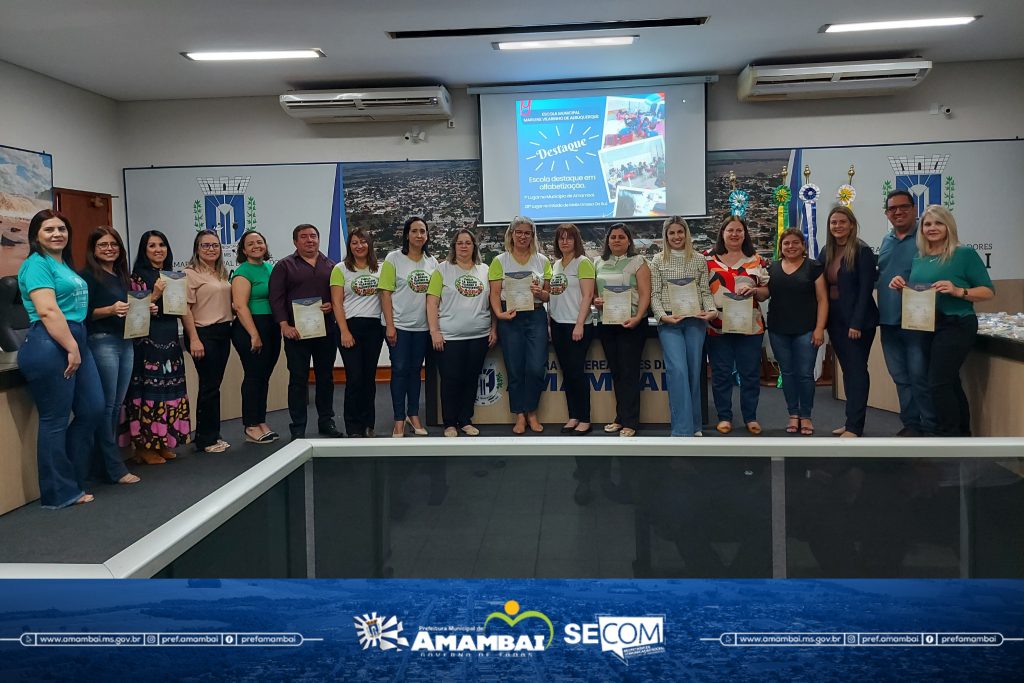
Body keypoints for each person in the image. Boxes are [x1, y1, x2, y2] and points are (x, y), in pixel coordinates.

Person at [17, 210, 106, 507]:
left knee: (93, 408)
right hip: (50, 341)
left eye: (62, 229)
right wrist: (72, 346)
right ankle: (59, 492)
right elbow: (48, 311)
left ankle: (72, 477)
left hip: (74, 338)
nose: (57, 234)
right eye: (49, 229)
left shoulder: (63, 264)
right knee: (54, 420)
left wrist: (75, 344)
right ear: (36, 235)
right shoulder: (36, 265)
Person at [890, 205, 993, 437]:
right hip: (928, 325)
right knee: (948, 382)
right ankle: (962, 437)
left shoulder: (963, 254)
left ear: (949, 226)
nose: (932, 228)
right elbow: (919, 296)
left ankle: (950, 438)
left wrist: (958, 291)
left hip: (957, 323)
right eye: (927, 224)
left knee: (938, 383)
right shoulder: (920, 258)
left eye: (938, 223)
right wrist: (902, 289)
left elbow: (988, 291)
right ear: (921, 229)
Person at [120, 230, 190, 463]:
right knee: (148, 394)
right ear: (144, 250)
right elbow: (133, 314)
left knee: (169, 392)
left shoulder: (172, 275)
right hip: (146, 343)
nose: (158, 249)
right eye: (152, 246)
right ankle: (143, 446)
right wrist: (156, 293)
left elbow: (180, 310)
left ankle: (161, 442)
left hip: (170, 341)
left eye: (162, 244)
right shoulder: (135, 278)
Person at [268, 224, 342, 440]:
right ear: (295, 242)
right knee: (298, 380)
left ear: (319, 240)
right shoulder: (284, 266)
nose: (309, 240)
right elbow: (276, 298)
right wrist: (284, 325)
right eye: (304, 237)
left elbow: (338, 296)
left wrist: (330, 305)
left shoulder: (332, 266)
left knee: (325, 378)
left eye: (313, 236)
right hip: (296, 334)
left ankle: (326, 421)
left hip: (326, 331)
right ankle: (298, 426)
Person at [80, 226, 141, 486]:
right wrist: (110, 309)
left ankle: (102, 465)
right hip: (102, 341)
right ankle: (113, 467)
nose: (109, 249)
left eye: (113, 244)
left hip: (125, 341)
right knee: (106, 407)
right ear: (93, 249)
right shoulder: (87, 277)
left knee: (116, 406)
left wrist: (141, 308)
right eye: (103, 245)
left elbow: (126, 310)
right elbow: (84, 313)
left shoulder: (120, 275)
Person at [649, 216, 717, 438]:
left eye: (680, 232)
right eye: (672, 233)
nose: (676, 237)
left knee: (693, 372)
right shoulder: (657, 260)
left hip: (695, 319)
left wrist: (712, 311)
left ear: (686, 234)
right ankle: (681, 429)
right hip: (670, 321)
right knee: (677, 371)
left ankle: (695, 425)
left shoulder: (699, 260)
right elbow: (654, 294)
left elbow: (705, 291)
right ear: (665, 236)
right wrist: (662, 316)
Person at [877, 190, 936, 437]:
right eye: (892, 209)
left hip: (917, 323)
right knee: (900, 378)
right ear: (887, 214)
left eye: (903, 207)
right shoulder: (887, 240)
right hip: (888, 321)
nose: (898, 212)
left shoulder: (927, 238)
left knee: (920, 378)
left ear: (914, 209)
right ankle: (911, 425)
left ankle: (932, 428)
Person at [427, 229, 496, 437]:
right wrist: (434, 331)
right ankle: (449, 422)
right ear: (453, 247)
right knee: (450, 380)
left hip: (479, 336)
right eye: (459, 243)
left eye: (468, 243)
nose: (464, 246)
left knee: (471, 378)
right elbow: (432, 302)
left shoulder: (485, 270)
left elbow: (492, 303)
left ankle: (465, 420)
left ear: (474, 246)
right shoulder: (442, 269)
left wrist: (494, 328)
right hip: (450, 337)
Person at [706, 215, 770, 434]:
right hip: (717, 327)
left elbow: (765, 292)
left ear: (745, 234)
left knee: (750, 374)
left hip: (749, 327)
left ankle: (750, 417)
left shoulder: (756, 260)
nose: (734, 234)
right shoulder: (707, 259)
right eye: (730, 230)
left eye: (739, 231)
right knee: (721, 374)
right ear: (722, 233)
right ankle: (724, 417)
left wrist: (755, 290)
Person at [488, 216, 551, 434]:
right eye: (519, 232)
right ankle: (520, 415)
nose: (522, 236)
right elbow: (495, 294)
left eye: (527, 233)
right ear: (511, 234)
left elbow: (548, 296)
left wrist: (540, 292)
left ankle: (532, 411)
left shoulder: (542, 260)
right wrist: (499, 314)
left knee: (535, 368)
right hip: (510, 318)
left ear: (532, 236)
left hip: (535, 317)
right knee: (515, 369)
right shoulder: (500, 261)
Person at [821, 206, 879, 438]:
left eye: (842, 222)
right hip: (835, 318)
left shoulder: (862, 251)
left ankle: (856, 426)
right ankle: (850, 421)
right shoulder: (827, 250)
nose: (837, 226)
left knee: (856, 372)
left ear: (852, 224)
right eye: (833, 222)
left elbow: (866, 290)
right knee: (847, 371)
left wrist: (856, 323)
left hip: (858, 321)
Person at [380, 217, 438, 438]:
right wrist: (390, 326)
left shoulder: (432, 262)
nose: (419, 235)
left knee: (415, 371)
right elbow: (385, 293)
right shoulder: (393, 259)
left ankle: (413, 414)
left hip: (422, 327)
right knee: (399, 370)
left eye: (423, 231)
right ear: (406, 234)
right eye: (414, 231)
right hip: (399, 326)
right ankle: (398, 418)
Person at [767, 228, 828, 435]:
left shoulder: (813, 267)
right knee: (788, 374)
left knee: (804, 375)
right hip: (778, 330)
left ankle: (806, 416)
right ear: (781, 247)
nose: (790, 247)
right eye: (786, 243)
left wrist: (819, 328)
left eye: (795, 243)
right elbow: (765, 293)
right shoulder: (772, 268)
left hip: (806, 330)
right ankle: (793, 414)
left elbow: (822, 299)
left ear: (803, 245)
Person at [594, 222, 652, 437]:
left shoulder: (639, 261)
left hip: (632, 324)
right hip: (607, 323)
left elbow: (645, 293)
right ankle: (620, 417)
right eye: (613, 237)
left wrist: (638, 317)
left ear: (629, 240)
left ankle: (631, 422)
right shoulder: (598, 262)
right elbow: (593, 294)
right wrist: (595, 301)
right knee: (616, 373)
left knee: (629, 373)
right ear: (607, 241)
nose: (616, 240)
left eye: (621, 237)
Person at [182, 230, 235, 453]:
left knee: (213, 386)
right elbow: (184, 308)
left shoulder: (221, 273)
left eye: (215, 245)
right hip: (203, 333)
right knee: (209, 386)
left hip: (224, 332)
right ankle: (206, 439)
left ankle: (210, 432)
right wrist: (194, 339)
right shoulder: (189, 274)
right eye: (205, 245)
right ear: (197, 248)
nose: (211, 249)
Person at [330, 227, 384, 438]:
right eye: (354, 242)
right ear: (349, 246)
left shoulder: (380, 268)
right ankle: (353, 427)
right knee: (354, 378)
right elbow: (336, 302)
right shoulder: (340, 269)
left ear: (369, 244)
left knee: (369, 379)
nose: (359, 246)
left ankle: (368, 424)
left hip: (374, 328)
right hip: (349, 328)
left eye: (363, 241)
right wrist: (344, 331)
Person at [231, 230, 280, 444]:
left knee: (264, 377)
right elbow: (240, 306)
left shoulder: (271, 268)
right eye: (250, 243)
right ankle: (251, 426)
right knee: (253, 377)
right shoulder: (243, 272)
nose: (256, 246)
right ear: (243, 250)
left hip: (271, 326)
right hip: (251, 327)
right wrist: (254, 334)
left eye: (260, 242)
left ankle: (261, 421)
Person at [548, 223, 595, 437]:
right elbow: (553, 296)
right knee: (567, 373)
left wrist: (579, 324)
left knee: (577, 373)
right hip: (558, 324)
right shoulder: (556, 264)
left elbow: (587, 296)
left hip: (577, 325)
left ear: (577, 241)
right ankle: (573, 416)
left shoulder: (583, 263)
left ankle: (585, 418)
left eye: (569, 238)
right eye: (561, 238)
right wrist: (550, 323)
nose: (564, 241)